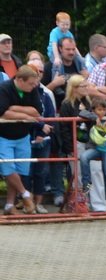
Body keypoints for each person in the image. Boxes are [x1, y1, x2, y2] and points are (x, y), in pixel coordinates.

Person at [0, 66, 43, 215]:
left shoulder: (32, 89)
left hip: (23, 136)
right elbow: (2, 112)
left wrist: (15, 110)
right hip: (3, 136)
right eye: (30, 84)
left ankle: (9, 205)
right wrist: (25, 115)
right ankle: (25, 194)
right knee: (8, 168)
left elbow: (37, 111)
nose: (33, 87)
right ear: (19, 80)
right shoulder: (4, 88)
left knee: (19, 170)